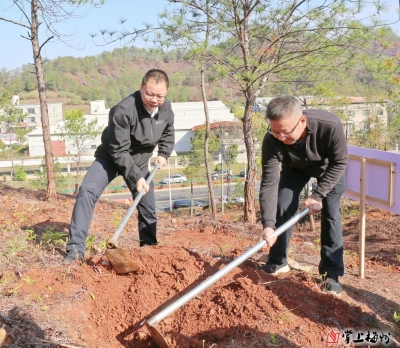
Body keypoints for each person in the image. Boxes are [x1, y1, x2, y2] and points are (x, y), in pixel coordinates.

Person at [62, 69, 175, 264]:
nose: (154, 99)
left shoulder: (166, 109)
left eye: (160, 96)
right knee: (87, 192)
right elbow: (120, 151)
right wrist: (136, 177)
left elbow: (168, 132)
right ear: (141, 88)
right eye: (149, 93)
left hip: (139, 162)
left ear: (165, 94)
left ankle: (148, 251)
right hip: (111, 157)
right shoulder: (123, 110)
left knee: (147, 206)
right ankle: (75, 249)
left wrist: (163, 153)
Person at [259, 95, 348, 295]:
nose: (280, 137)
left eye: (285, 132)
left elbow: (340, 162)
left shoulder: (329, 125)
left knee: (330, 213)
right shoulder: (271, 140)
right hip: (294, 167)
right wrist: (268, 224)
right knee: (283, 204)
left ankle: (330, 274)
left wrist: (318, 194)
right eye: (275, 131)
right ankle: (277, 260)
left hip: (328, 169)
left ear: (302, 121)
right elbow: (269, 182)